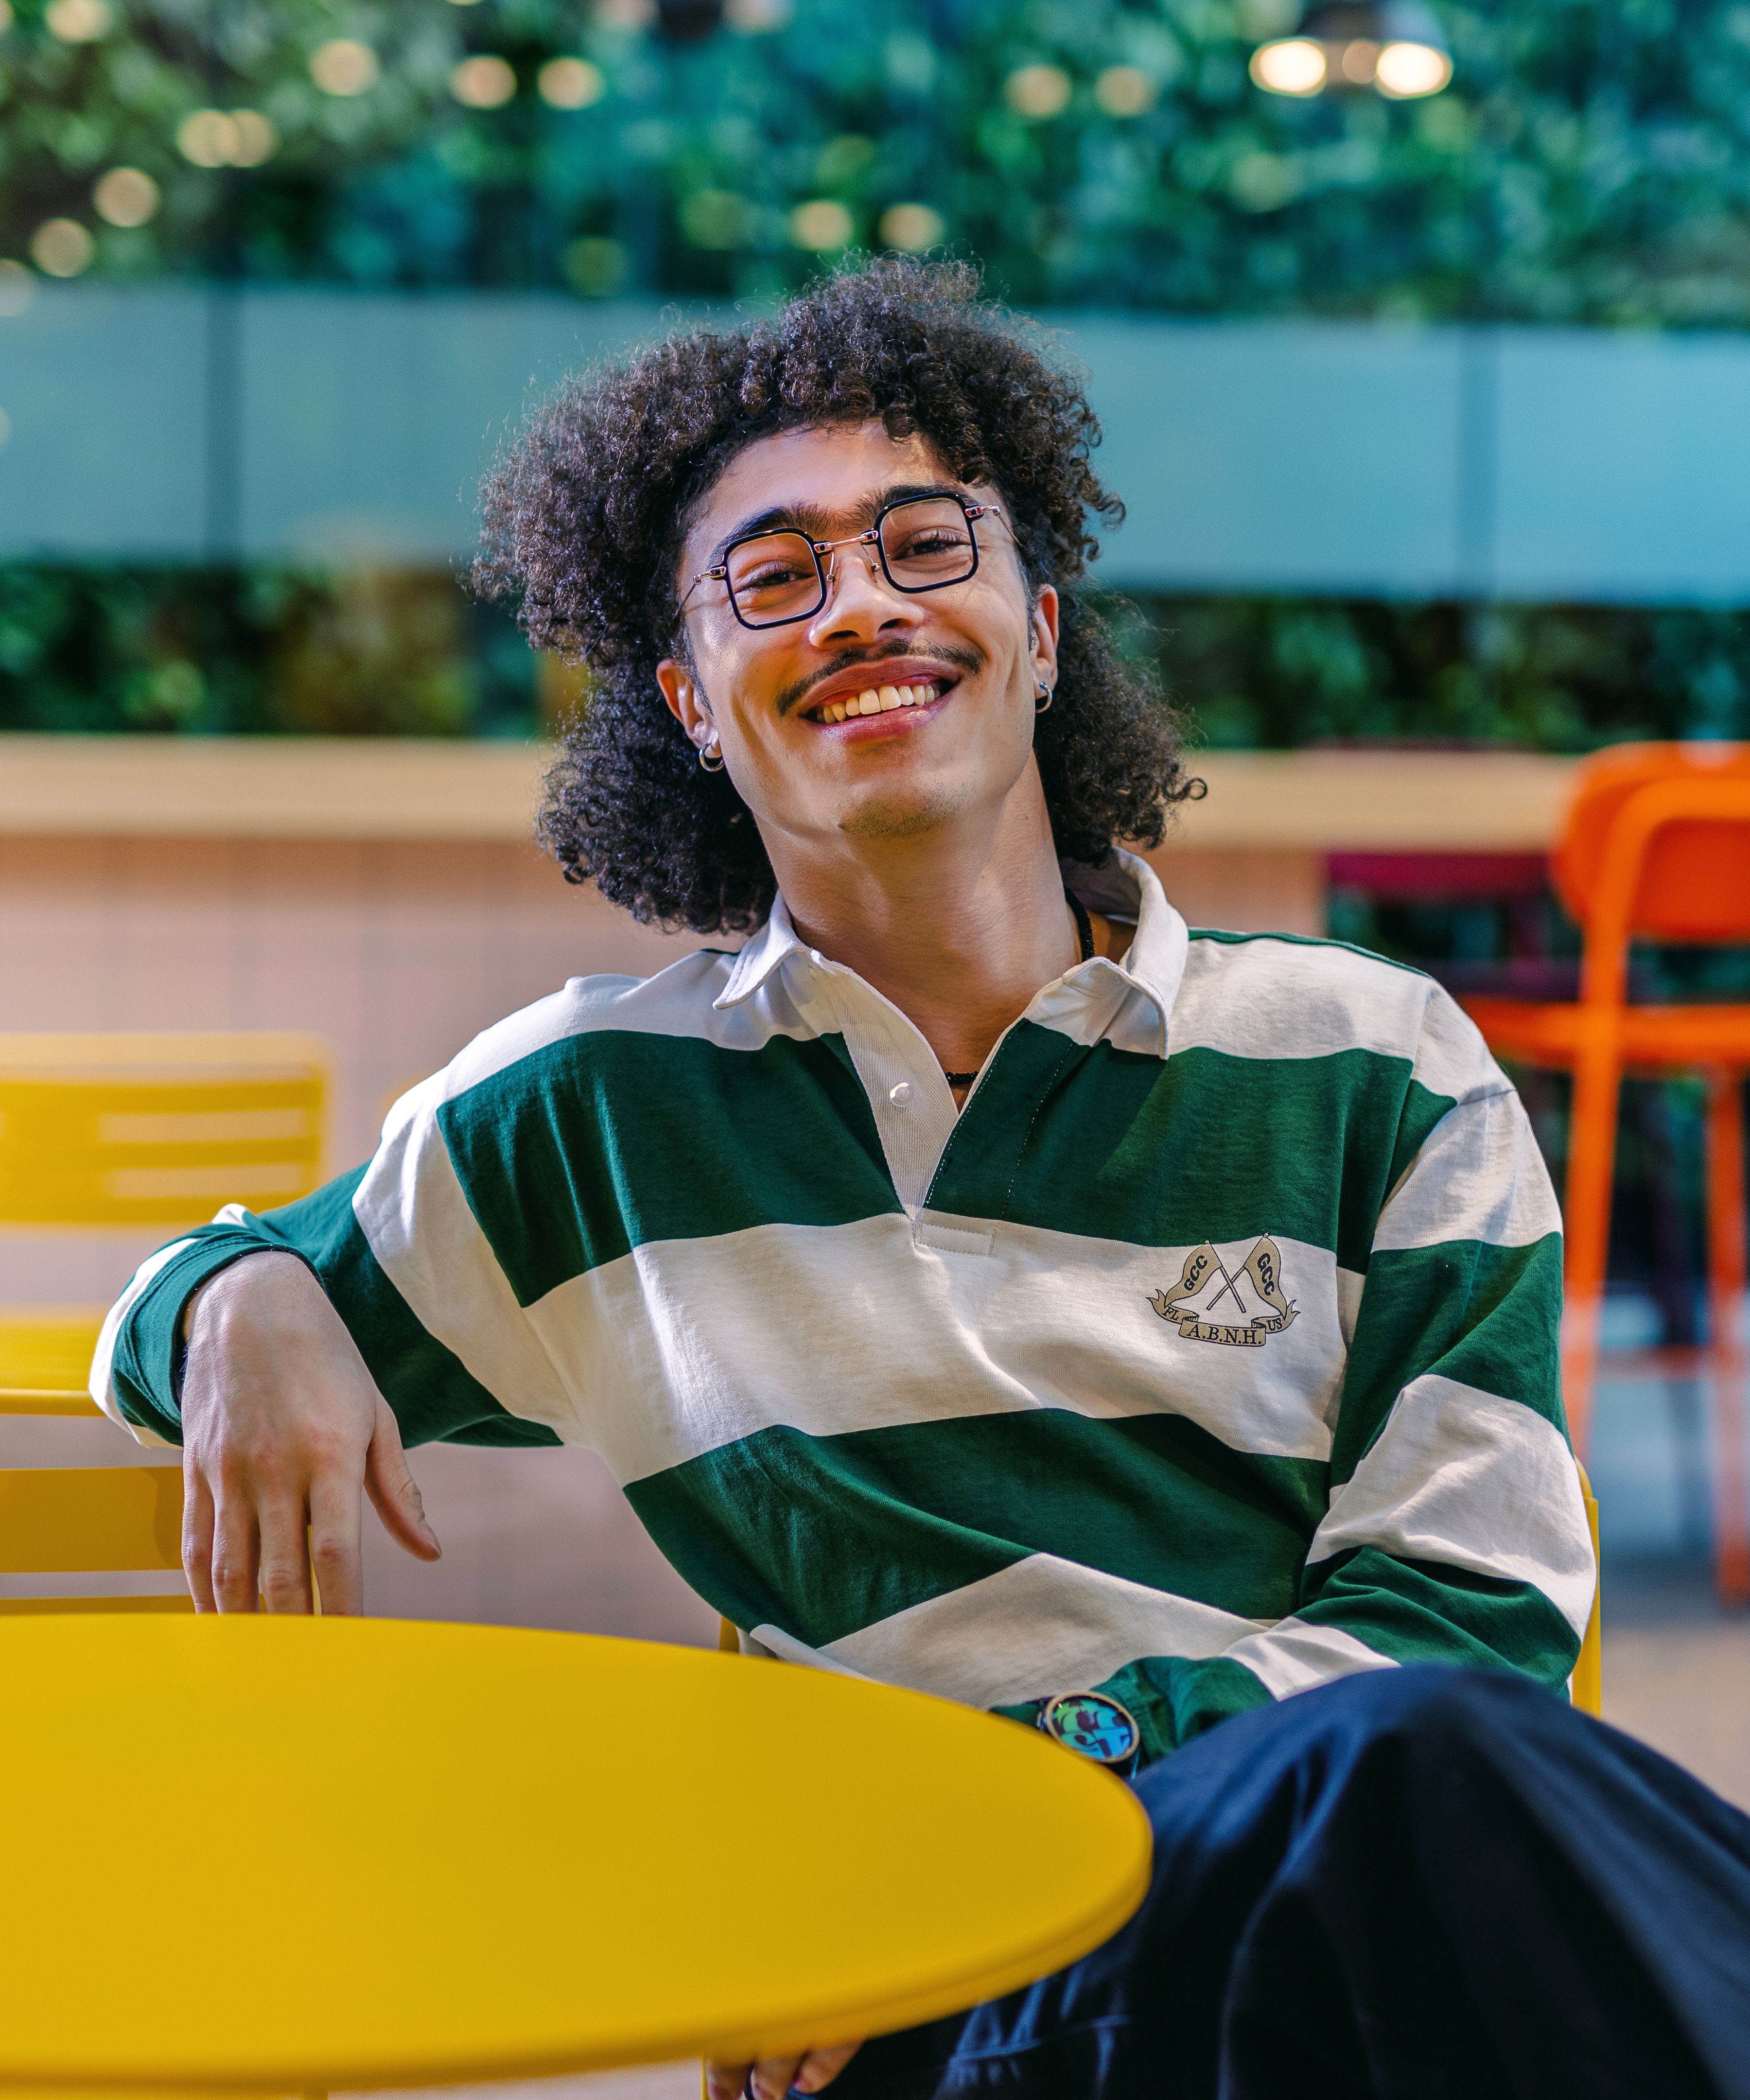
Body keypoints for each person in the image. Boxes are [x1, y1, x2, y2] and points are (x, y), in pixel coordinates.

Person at [93, 262, 1750, 2100]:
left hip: (1313, 1902)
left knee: (1424, 1767)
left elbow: (1483, 1617)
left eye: (923, 546)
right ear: (693, 704)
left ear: (1041, 632)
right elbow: (186, 1301)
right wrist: (243, 1299)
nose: (861, 604)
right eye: (773, 578)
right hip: (939, 2009)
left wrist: (1061, 1764)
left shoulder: (1378, 1061)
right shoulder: (605, 1107)